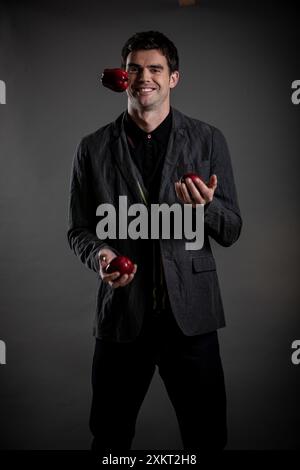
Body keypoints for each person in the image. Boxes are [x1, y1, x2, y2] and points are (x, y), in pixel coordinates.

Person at [67, 30, 242, 452]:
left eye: (155, 69)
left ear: (174, 78)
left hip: (191, 320)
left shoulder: (208, 139)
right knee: (109, 439)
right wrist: (101, 254)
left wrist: (204, 209)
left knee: (207, 439)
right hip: (122, 320)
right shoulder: (92, 148)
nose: (144, 77)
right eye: (134, 69)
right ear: (122, 78)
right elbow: (79, 230)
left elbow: (232, 229)